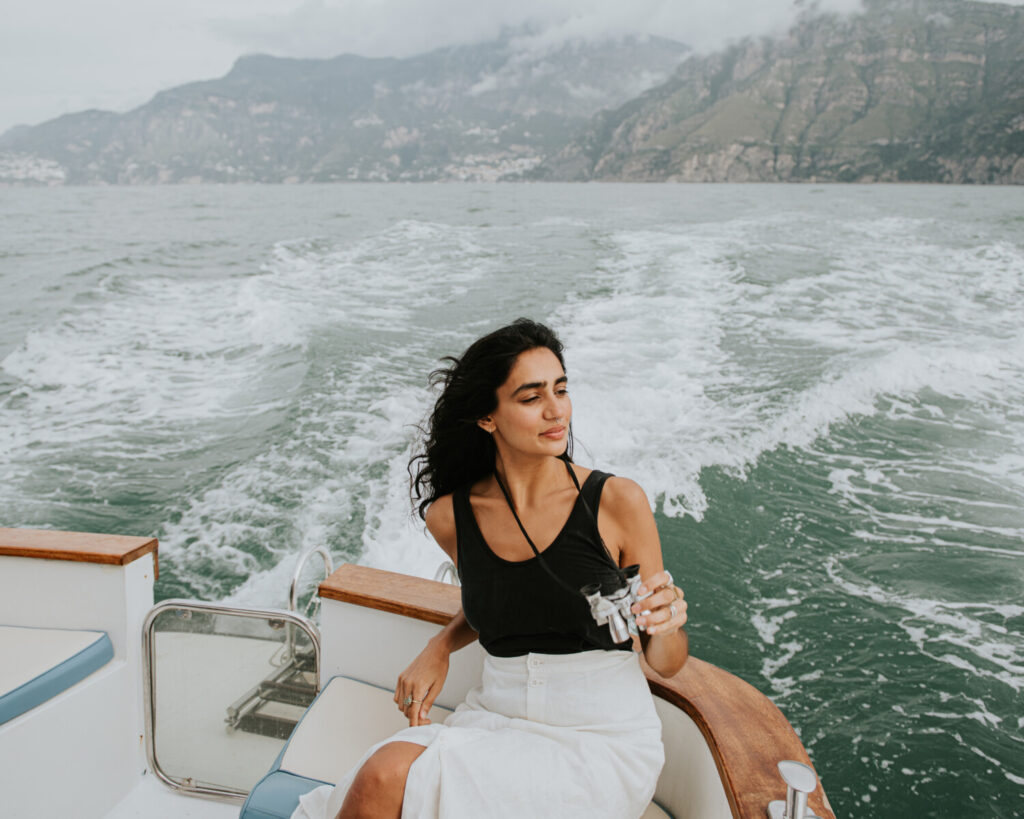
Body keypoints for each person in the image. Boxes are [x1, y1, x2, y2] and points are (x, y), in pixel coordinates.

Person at [294, 318, 688, 819]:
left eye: (561, 390)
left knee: (385, 774)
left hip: (598, 740)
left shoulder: (615, 501)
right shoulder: (450, 517)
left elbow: (667, 660)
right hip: (495, 718)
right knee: (369, 783)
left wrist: (668, 621)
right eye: (531, 397)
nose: (556, 410)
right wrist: (441, 645)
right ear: (487, 417)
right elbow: (504, 599)